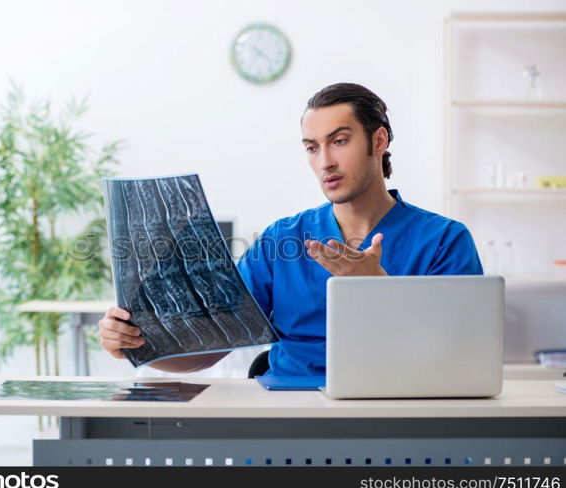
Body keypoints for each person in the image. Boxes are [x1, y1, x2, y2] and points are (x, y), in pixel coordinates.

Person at [97, 82, 483, 375]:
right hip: (287, 414)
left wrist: (379, 289)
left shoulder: (444, 241)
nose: (325, 162)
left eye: (340, 141)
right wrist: (137, 345)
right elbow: (211, 344)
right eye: (312, 147)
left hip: (399, 413)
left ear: (378, 141)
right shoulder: (282, 240)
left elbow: (460, 354)